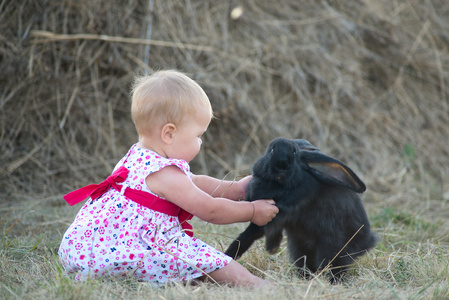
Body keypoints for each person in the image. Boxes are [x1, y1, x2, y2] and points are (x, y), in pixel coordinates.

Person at [58, 70, 279, 287]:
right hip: (126, 249)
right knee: (205, 259)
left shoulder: (138, 155)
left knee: (186, 260)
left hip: (83, 248)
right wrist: (252, 211)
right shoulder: (163, 173)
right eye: (198, 136)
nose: (201, 142)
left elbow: (193, 182)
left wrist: (238, 189)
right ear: (169, 133)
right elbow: (209, 210)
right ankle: (259, 285)